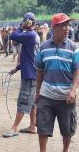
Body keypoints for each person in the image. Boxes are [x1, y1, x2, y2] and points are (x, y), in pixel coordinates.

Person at [35, 13, 78, 152]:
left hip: (66, 98)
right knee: (42, 128)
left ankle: (65, 150)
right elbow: (40, 71)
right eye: (63, 26)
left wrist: (73, 90)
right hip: (46, 97)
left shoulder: (74, 47)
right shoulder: (43, 47)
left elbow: (78, 71)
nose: (67, 29)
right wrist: (37, 93)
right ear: (54, 28)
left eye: (68, 25)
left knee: (67, 131)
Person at [3, 12, 39, 138]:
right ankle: (32, 126)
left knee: (23, 102)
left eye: (24, 22)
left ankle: (14, 128)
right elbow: (29, 57)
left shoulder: (29, 35)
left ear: (28, 22)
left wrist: (22, 27)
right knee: (33, 103)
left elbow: (13, 35)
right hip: (33, 73)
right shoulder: (34, 35)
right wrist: (17, 68)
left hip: (29, 76)